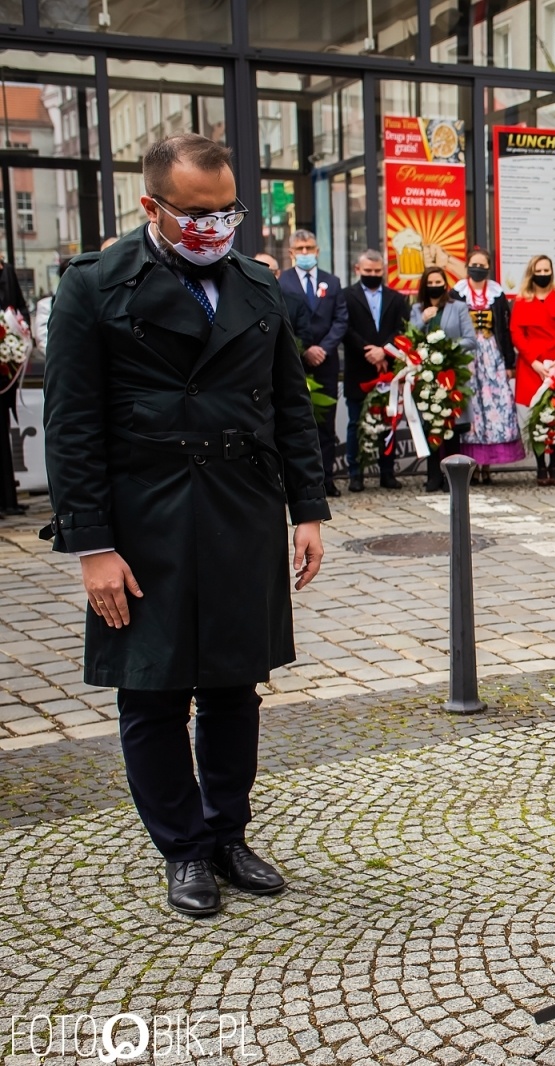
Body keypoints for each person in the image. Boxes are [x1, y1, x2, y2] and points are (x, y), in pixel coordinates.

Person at [41, 133, 328, 918]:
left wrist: (306, 509)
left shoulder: (256, 285)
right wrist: (93, 547)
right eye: (195, 212)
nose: (214, 224)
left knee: (236, 686)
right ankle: (184, 848)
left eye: (226, 209)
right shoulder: (94, 285)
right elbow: (71, 425)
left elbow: (289, 408)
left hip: (241, 509)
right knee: (154, 691)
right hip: (144, 519)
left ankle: (227, 832)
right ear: (151, 207)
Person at [280, 230, 347, 497]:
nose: (305, 253)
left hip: (326, 363)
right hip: (294, 362)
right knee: (294, 424)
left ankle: (326, 480)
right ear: (291, 253)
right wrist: (304, 349)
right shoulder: (282, 282)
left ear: (318, 251)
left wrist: (322, 348)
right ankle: (295, 484)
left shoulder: (332, 282)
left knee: (325, 426)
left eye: (309, 247)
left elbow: (341, 319)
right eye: (300, 248)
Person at [454, 248, 525, 481]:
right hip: (467, 357)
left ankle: (488, 466)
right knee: (470, 407)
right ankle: (469, 466)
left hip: (491, 355)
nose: (478, 269)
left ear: (488, 268)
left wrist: (509, 361)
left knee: (496, 406)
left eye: (482, 265)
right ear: (467, 266)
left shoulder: (496, 293)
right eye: (474, 264)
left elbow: (505, 329)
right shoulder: (457, 293)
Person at [510, 254, 555, 487]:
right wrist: (534, 362)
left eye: (546, 270)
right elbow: (517, 333)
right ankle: (541, 465)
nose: (543, 275)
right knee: (536, 417)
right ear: (532, 273)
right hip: (533, 368)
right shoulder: (522, 301)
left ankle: (554, 464)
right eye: (538, 271)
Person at [342, 249, 409, 492]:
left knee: (387, 422)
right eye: (368, 271)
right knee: (355, 423)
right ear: (357, 270)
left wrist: (384, 351)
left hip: (388, 370)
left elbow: (402, 330)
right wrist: (368, 351)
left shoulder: (397, 298)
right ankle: (355, 474)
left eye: (377, 271)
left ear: (384, 271)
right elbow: (345, 329)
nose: (372, 275)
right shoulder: (346, 296)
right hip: (358, 368)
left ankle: (387, 473)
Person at [411, 265, 477, 492]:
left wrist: (446, 349)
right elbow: (410, 338)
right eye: (431, 283)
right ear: (424, 286)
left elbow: (470, 339)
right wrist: (422, 320)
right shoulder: (417, 308)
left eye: (439, 282)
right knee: (431, 425)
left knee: (452, 426)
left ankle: (453, 479)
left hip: (451, 372)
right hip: (427, 376)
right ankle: (432, 477)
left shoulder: (457, 307)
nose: (435, 287)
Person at [0, 256, 30, 515]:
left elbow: (20, 307)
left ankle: (8, 499)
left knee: (3, 431)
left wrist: (21, 332)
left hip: (5, 367)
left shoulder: (7, 271)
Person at [252, 253, 314, 354]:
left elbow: (305, 339)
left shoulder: (295, 302)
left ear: (278, 274)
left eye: (268, 271)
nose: (262, 275)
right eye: (257, 270)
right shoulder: (240, 301)